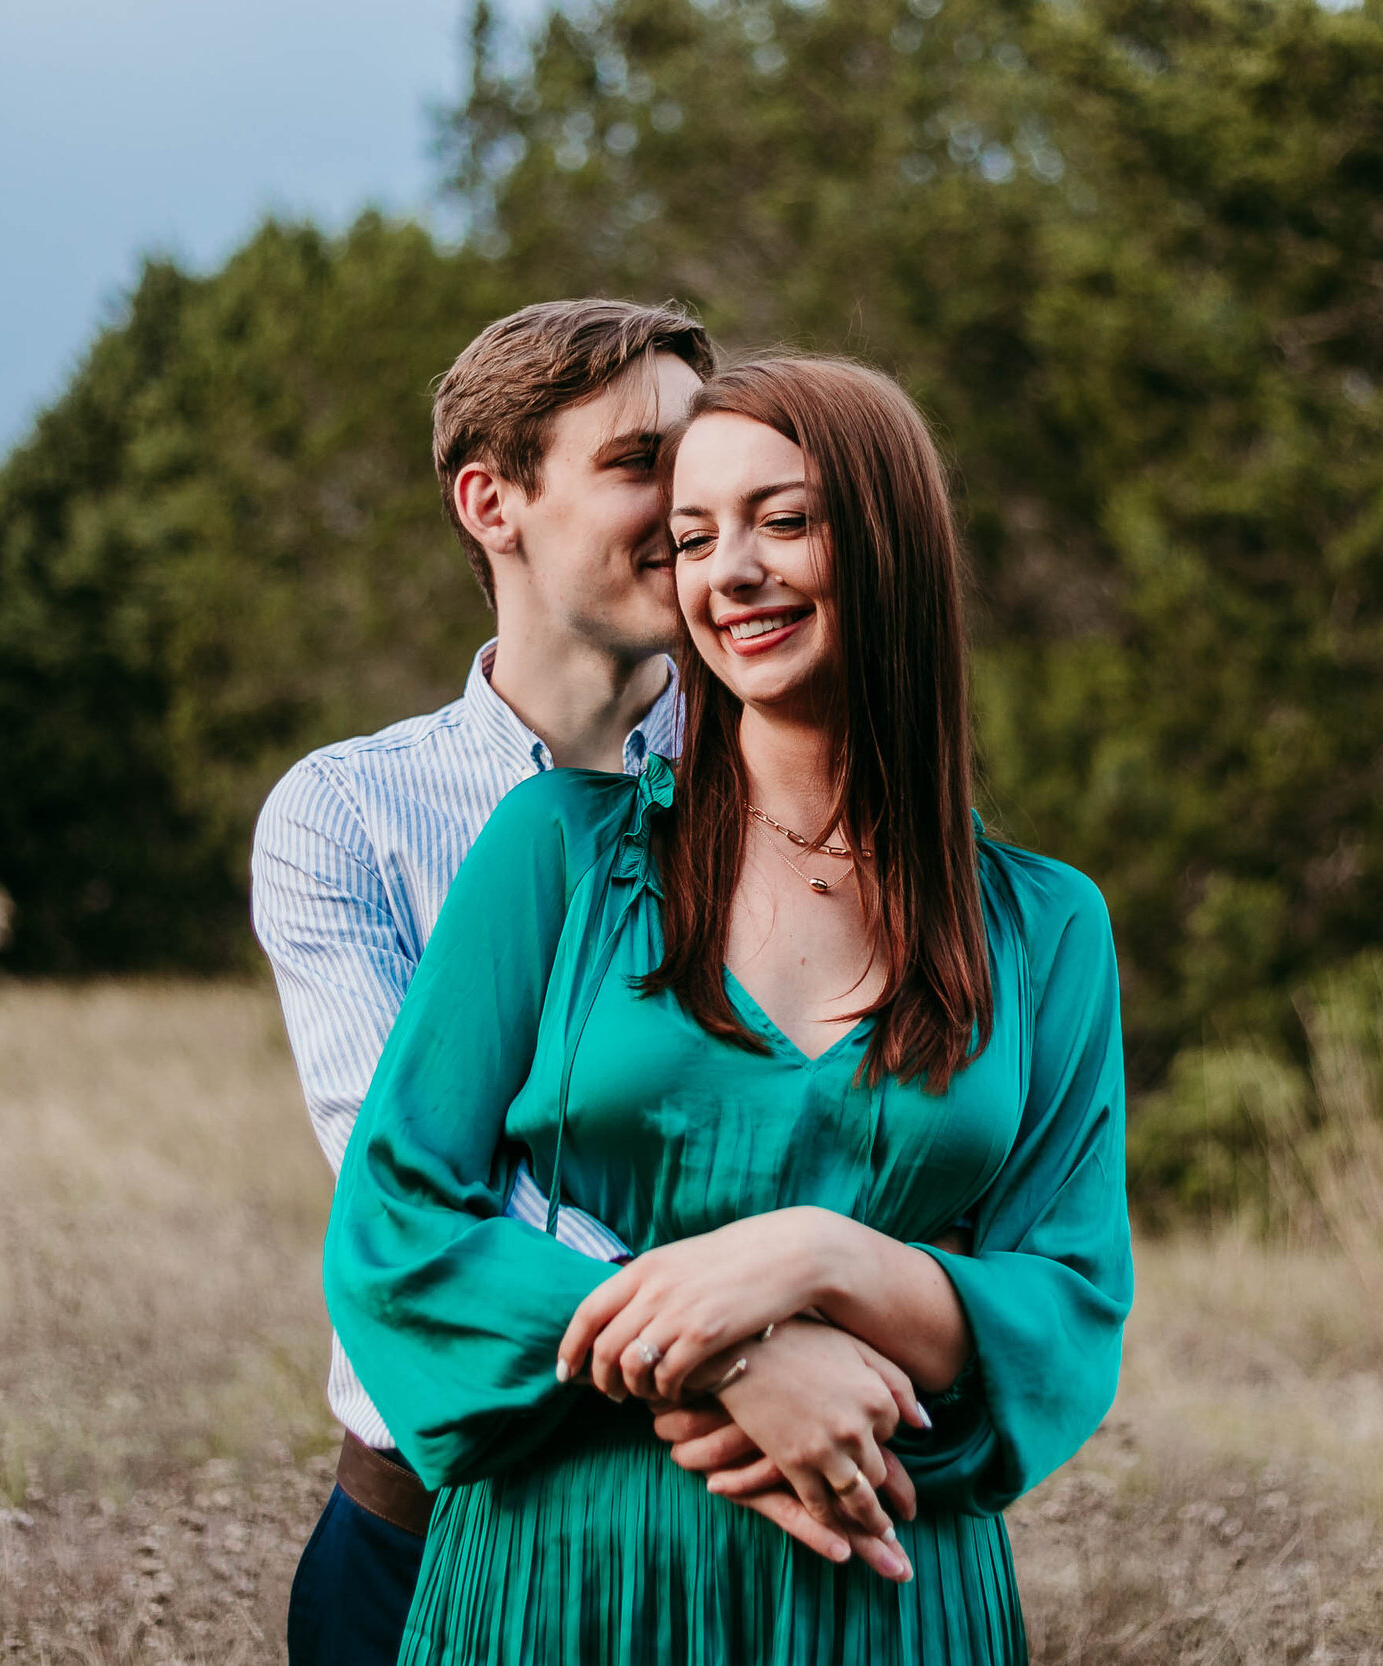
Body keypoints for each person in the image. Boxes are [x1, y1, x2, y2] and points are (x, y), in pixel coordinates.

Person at [325, 356, 1134, 1665]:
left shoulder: (1046, 928)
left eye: (785, 520)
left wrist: (826, 1255)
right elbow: (396, 1222)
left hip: (890, 1599)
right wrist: (731, 1354)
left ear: (888, 541)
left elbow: (1070, 1299)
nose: (729, 569)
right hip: (563, 1589)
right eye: (694, 536)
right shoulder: (561, 855)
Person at [255, 304, 923, 1666]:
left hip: (750, 1518)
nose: (690, 507)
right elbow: (413, 1197)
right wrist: (735, 1343)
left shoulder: (809, 777)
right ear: (491, 500)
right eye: (638, 462)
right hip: (438, 1517)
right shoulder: (347, 816)